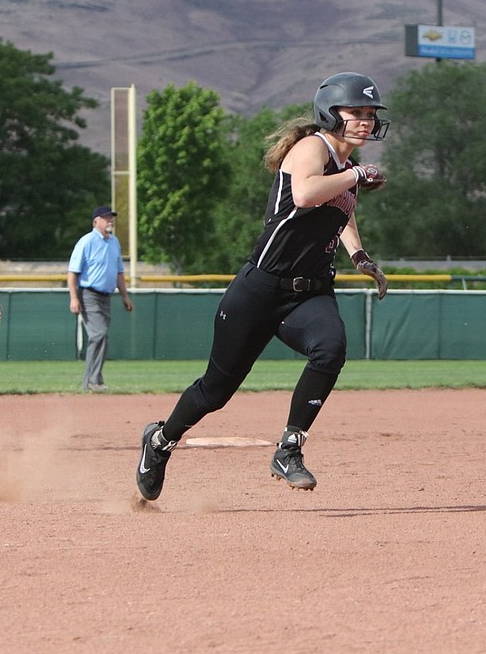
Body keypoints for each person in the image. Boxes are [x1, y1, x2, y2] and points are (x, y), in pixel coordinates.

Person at [135, 72, 391, 500]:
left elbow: (342, 210)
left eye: (370, 114)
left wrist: (359, 256)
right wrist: (358, 175)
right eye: (356, 112)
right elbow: (307, 194)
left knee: (331, 349)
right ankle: (160, 441)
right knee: (215, 391)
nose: (365, 120)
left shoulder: (345, 168)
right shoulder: (313, 147)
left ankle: (289, 448)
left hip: (309, 292)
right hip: (260, 288)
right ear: (331, 113)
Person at [68, 205, 134, 391]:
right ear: (96, 221)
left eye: (111, 217)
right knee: (99, 335)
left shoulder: (114, 242)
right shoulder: (87, 241)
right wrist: (74, 298)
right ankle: (91, 381)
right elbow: (73, 272)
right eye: (106, 217)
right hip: (89, 294)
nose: (110, 220)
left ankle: (94, 380)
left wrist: (125, 296)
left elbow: (119, 272)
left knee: (102, 337)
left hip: (106, 296)